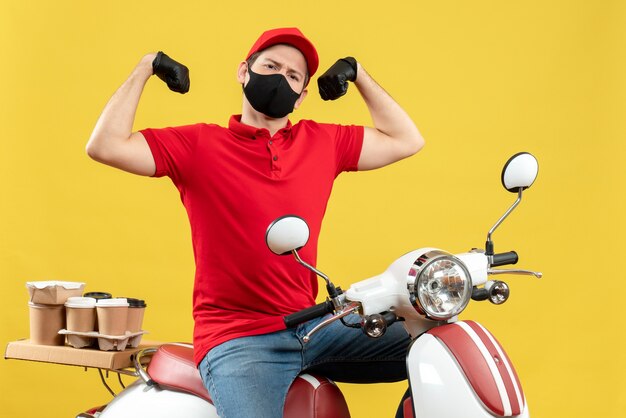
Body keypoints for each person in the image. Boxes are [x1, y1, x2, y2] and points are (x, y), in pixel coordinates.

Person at [86, 27, 424, 418]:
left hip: (313, 326)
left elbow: (406, 139)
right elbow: (105, 145)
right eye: (270, 66)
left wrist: (358, 73)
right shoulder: (198, 145)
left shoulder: (322, 143)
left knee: (436, 344)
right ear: (243, 71)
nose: (280, 78)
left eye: (293, 76)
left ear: (302, 96)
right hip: (238, 339)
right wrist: (146, 67)